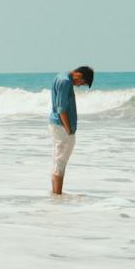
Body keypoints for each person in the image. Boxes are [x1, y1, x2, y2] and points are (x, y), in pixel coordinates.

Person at [48, 65, 94, 195]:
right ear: (78, 75)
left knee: (58, 160)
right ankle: (57, 195)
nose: (79, 85)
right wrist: (68, 129)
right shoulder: (65, 81)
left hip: (58, 125)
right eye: (82, 82)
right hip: (61, 126)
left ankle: (55, 194)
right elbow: (61, 109)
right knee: (60, 161)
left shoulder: (61, 76)